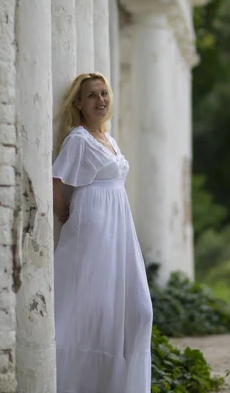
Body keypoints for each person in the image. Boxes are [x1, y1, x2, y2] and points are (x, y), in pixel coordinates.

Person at [53, 72, 153, 393]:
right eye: (92, 95)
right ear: (79, 104)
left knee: (138, 309)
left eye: (104, 93)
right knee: (89, 309)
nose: (101, 100)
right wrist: (62, 211)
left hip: (119, 225)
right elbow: (56, 182)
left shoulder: (108, 138)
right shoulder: (78, 139)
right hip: (93, 225)